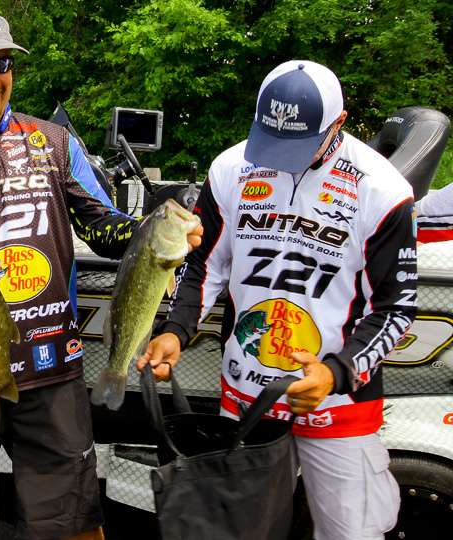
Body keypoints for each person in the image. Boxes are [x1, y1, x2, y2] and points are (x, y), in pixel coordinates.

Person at [0, 9, 200, 540]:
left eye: (2, 63)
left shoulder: (52, 142)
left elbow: (102, 225)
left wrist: (154, 235)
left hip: (52, 366)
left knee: (68, 523)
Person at [138, 60, 414, 540]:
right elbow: (207, 264)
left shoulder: (384, 189)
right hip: (248, 393)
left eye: (299, 145)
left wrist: (337, 371)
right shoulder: (230, 167)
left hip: (336, 401)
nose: (281, 158)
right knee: (237, 528)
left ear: (340, 123)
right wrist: (175, 329)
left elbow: (396, 306)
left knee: (352, 533)